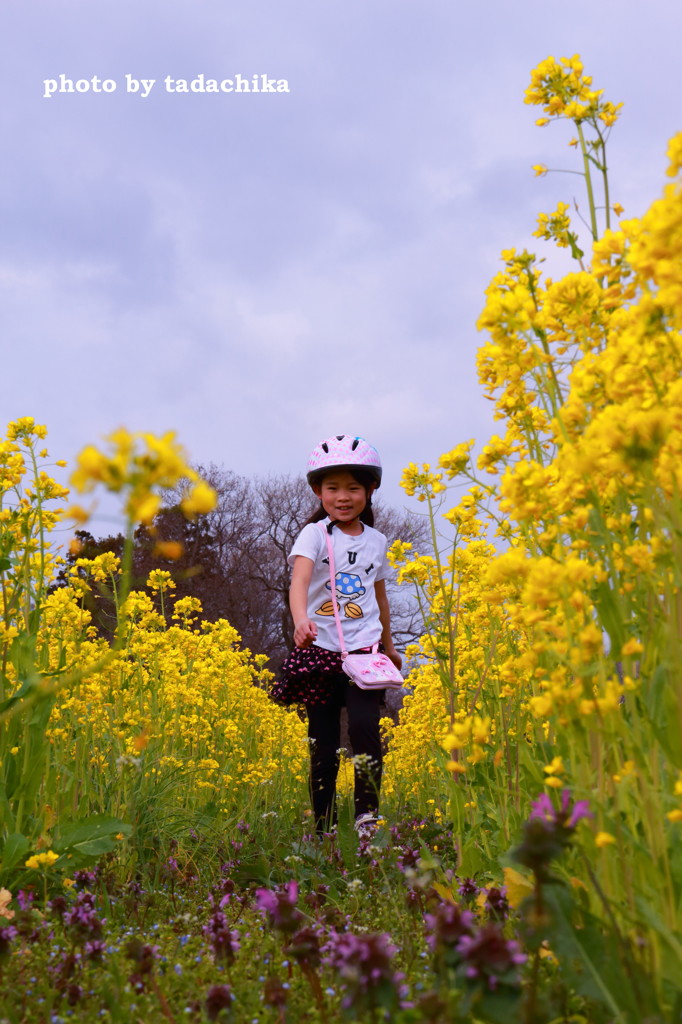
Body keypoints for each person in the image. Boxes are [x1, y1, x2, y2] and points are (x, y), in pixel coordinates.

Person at [271, 434, 402, 834]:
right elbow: (300, 580)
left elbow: (379, 597)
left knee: (365, 727)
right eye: (333, 488)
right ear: (318, 491)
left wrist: (390, 646)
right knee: (323, 743)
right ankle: (323, 825)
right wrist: (300, 619)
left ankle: (367, 815)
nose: (343, 497)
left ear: (370, 490)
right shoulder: (314, 534)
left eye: (353, 488)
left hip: (365, 650)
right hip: (321, 649)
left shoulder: (378, 542)